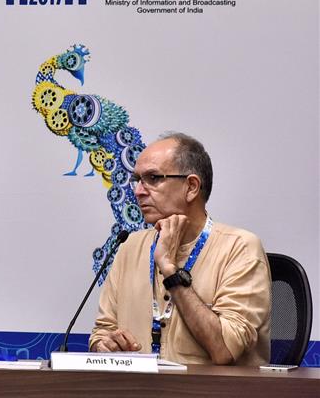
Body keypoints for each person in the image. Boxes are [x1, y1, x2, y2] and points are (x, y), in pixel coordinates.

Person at [89, 133, 271, 365]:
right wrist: (105, 345)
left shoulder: (240, 248)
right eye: (138, 180)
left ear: (191, 187)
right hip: (139, 394)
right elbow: (101, 332)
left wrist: (170, 270)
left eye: (153, 178)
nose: (138, 191)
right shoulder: (130, 246)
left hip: (211, 397)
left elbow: (225, 349)